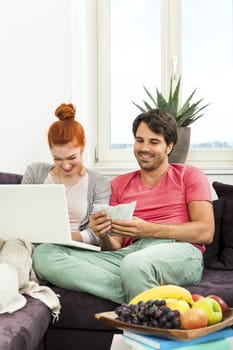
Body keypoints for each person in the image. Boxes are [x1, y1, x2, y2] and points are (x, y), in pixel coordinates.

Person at [32, 108, 214, 304]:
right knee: (44, 254)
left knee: (135, 265)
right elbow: (114, 247)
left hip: (180, 250)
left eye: (154, 142)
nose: (144, 148)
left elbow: (205, 231)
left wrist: (149, 230)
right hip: (128, 255)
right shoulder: (119, 184)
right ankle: (141, 291)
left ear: (169, 147)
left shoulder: (189, 175)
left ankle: (142, 305)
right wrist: (102, 234)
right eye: (139, 140)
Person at [22, 103, 111, 246]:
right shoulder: (35, 172)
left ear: (82, 148)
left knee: (46, 253)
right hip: (32, 244)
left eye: (72, 158)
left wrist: (60, 238)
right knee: (14, 246)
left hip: (72, 248)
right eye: (57, 159)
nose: (66, 165)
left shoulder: (98, 183)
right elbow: (21, 215)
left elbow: (97, 233)